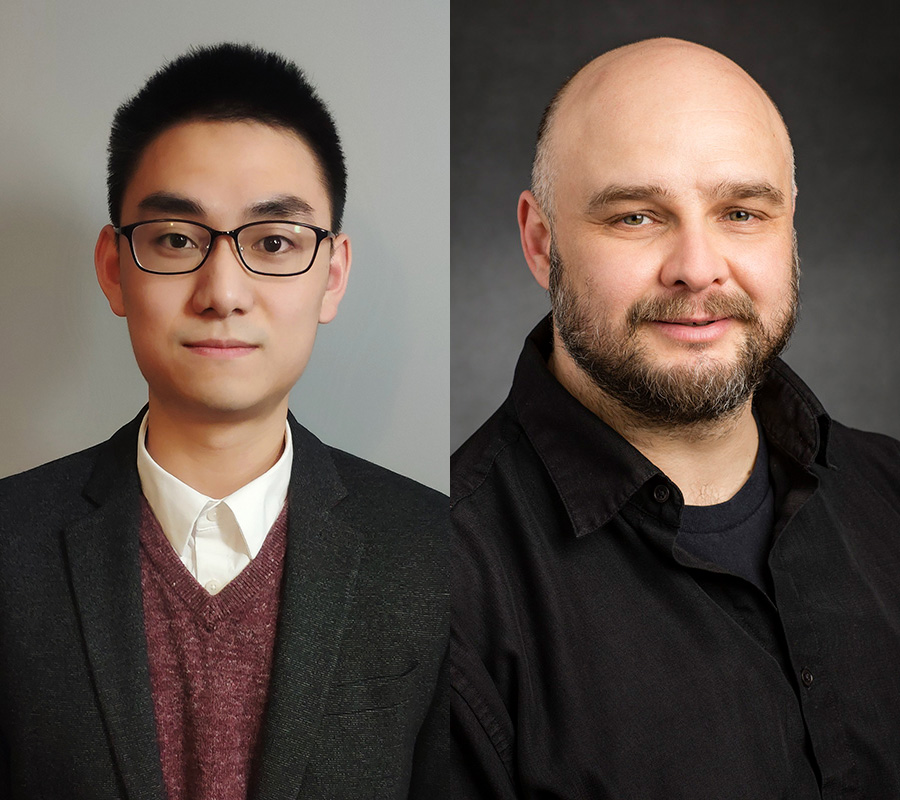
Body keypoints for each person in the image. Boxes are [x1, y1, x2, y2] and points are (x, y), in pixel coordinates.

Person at [449, 37, 900, 798]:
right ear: (540, 241)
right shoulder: (447, 591)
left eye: (741, 212)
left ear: (789, 228)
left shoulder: (890, 492)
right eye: (636, 217)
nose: (697, 265)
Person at [0, 43, 446, 799]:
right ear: (114, 268)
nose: (224, 290)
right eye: (176, 239)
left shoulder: (439, 552)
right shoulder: (11, 544)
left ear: (331, 276)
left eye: (273, 242)